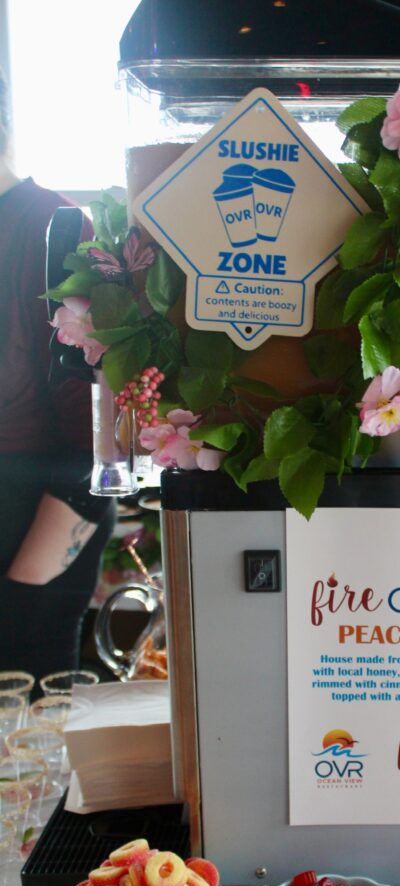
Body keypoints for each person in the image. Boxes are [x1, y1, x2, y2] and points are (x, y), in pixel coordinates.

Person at [0, 67, 115, 687]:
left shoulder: (57, 229)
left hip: (35, 531)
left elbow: (92, 437)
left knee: (28, 751)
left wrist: (24, 597)